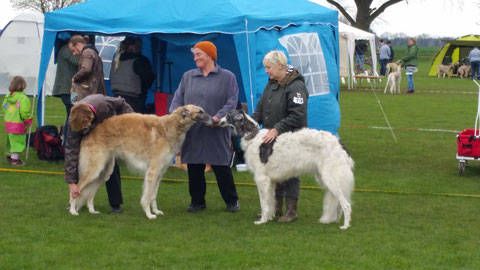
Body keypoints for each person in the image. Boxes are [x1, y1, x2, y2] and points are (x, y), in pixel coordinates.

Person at [169, 41, 240, 213]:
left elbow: (232, 102)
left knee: (221, 166)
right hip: (193, 132)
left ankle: (232, 201)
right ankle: (197, 201)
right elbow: (178, 99)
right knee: (194, 167)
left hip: (217, 129)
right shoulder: (188, 77)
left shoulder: (228, 77)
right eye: (194, 55)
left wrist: (217, 118)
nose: (195, 58)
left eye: (198, 54)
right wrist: (175, 116)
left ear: (210, 55)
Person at [251, 50, 309, 223]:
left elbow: (297, 115)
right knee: (275, 171)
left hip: (291, 137)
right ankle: (275, 208)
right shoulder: (272, 82)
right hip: (272, 138)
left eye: (269, 67)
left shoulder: (296, 86)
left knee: (291, 173)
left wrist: (277, 128)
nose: (266, 71)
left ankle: (292, 211)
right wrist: (252, 124)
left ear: (280, 66)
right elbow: (261, 106)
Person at [65, 94, 133, 214]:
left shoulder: (103, 103)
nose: (86, 128)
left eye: (86, 125)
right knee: (90, 172)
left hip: (110, 136)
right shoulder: (73, 123)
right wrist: (71, 182)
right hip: (93, 141)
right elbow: (71, 150)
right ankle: (73, 202)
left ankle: (115, 205)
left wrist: (132, 122)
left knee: (111, 170)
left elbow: (121, 102)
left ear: (90, 117)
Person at [110, 37, 155, 113]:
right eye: (139, 46)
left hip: (117, 97)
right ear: (131, 46)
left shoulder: (116, 59)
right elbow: (149, 79)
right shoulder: (139, 61)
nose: (140, 49)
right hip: (134, 100)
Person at [52, 38, 79, 144]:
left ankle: (67, 142)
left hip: (71, 89)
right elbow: (77, 61)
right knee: (72, 116)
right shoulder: (66, 49)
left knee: (71, 115)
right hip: (68, 89)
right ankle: (67, 143)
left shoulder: (66, 49)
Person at [2, 76, 32, 166]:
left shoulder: (8, 97)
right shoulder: (23, 98)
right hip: (18, 123)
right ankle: (15, 159)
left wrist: (11, 112)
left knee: (10, 140)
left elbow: (5, 107)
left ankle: (9, 156)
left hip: (9, 122)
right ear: (23, 86)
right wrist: (28, 120)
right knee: (18, 141)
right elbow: (24, 112)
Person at [68, 35, 107, 103]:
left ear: (78, 44)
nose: (74, 54)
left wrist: (74, 78)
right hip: (92, 93)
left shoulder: (87, 52)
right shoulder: (90, 52)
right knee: (74, 104)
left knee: (78, 109)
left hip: (90, 94)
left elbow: (86, 69)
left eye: (73, 50)